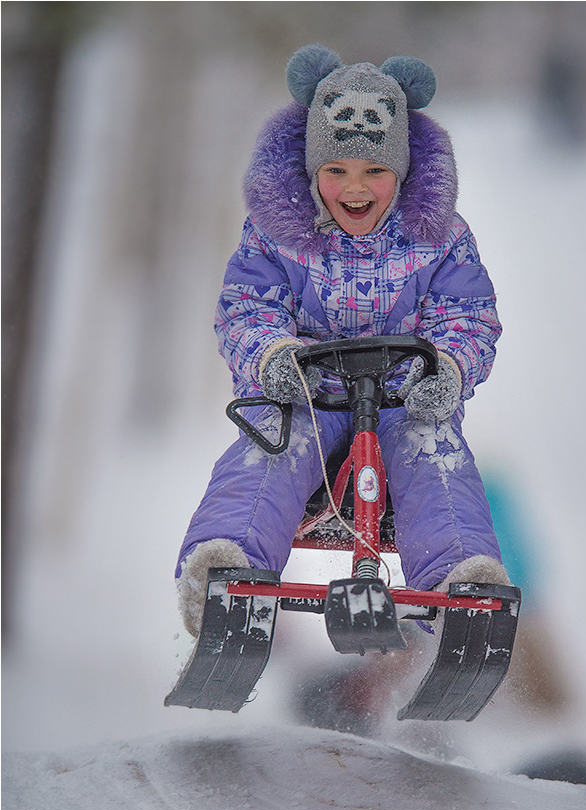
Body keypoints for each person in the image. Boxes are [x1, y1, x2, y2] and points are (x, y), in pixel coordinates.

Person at [176, 44, 510, 638]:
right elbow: (247, 307)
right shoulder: (278, 235)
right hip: (308, 396)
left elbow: (468, 313)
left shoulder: (440, 238)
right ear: (312, 172)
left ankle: (462, 585)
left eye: (374, 172)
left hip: (406, 403)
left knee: (437, 460)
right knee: (268, 453)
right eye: (337, 172)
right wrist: (272, 357)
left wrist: (449, 370)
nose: (355, 189)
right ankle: (227, 569)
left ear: (401, 174)